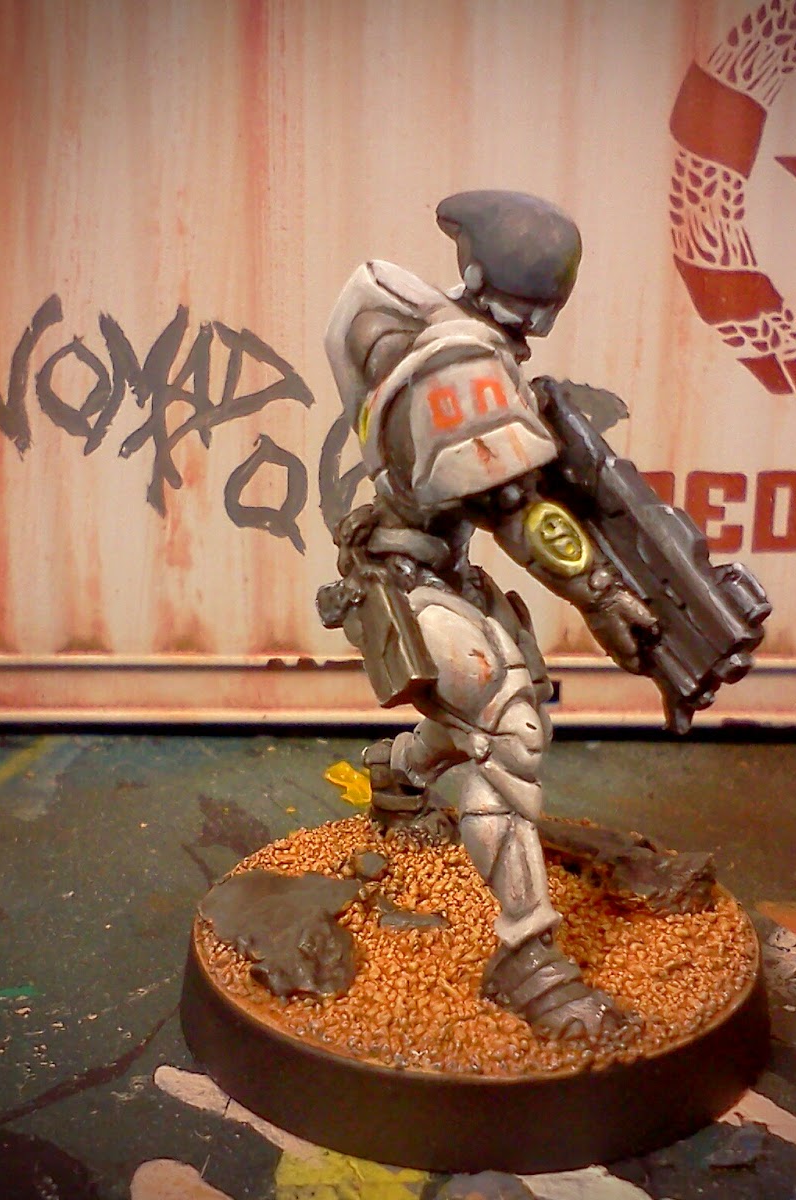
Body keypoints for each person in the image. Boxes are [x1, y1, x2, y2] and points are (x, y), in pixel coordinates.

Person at [318, 191, 660, 1040]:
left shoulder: (452, 342)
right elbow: (514, 509)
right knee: (508, 730)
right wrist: (601, 594)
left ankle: (399, 773)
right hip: (401, 582)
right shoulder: (458, 365)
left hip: (431, 569)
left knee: (498, 706)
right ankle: (526, 956)